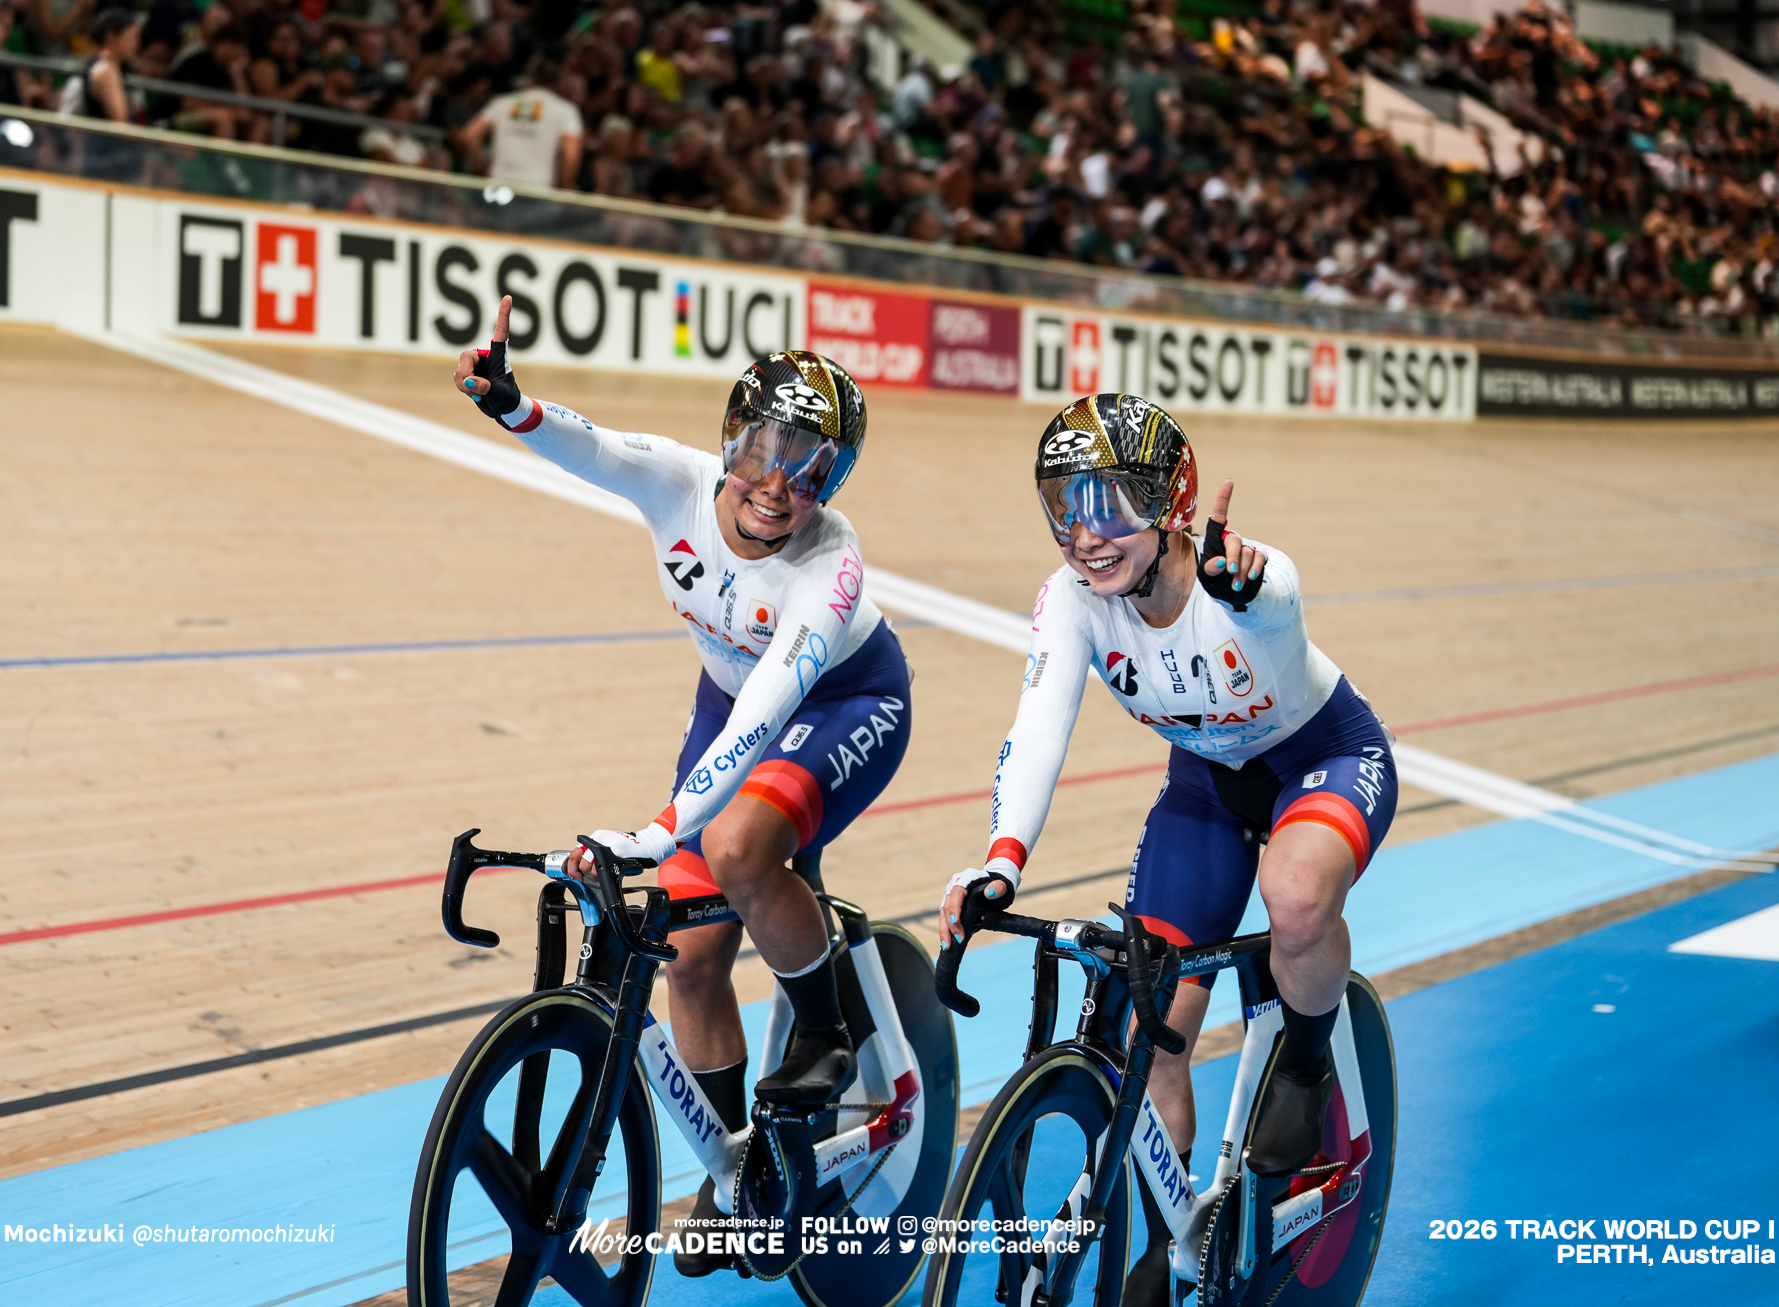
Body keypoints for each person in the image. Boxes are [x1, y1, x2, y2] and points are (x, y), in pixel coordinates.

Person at [454, 300, 911, 1278]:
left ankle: (824, 1025)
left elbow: (771, 711)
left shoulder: (830, 559)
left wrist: (664, 827)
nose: (777, 486)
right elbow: (592, 449)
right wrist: (512, 406)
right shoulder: (679, 482)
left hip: (840, 702)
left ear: (833, 484)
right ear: (729, 441)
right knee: (692, 954)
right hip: (732, 695)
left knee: (739, 847)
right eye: (761, 453)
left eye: (810, 470)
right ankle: (736, 1164)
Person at [936, 393, 1396, 1305]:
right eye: (1066, 508)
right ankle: (1169, 1233)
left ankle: (1306, 1062)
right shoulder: (1071, 600)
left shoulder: (1247, 580)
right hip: (1207, 788)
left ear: (1171, 502)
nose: (1086, 535)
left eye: (1110, 506)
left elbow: (1276, 605)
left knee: (1296, 893)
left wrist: (1245, 588)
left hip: (1324, 758)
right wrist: (1000, 860)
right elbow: (1038, 727)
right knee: (1154, 1021)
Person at [455, 56, 582, 189]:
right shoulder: (565, 110)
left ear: (529, 78)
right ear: (559, 81)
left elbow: (469, 136)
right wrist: (564, 185)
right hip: (538, 188)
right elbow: (571, 155)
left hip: (499, 184)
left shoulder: (503, 103)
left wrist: (481, 167)